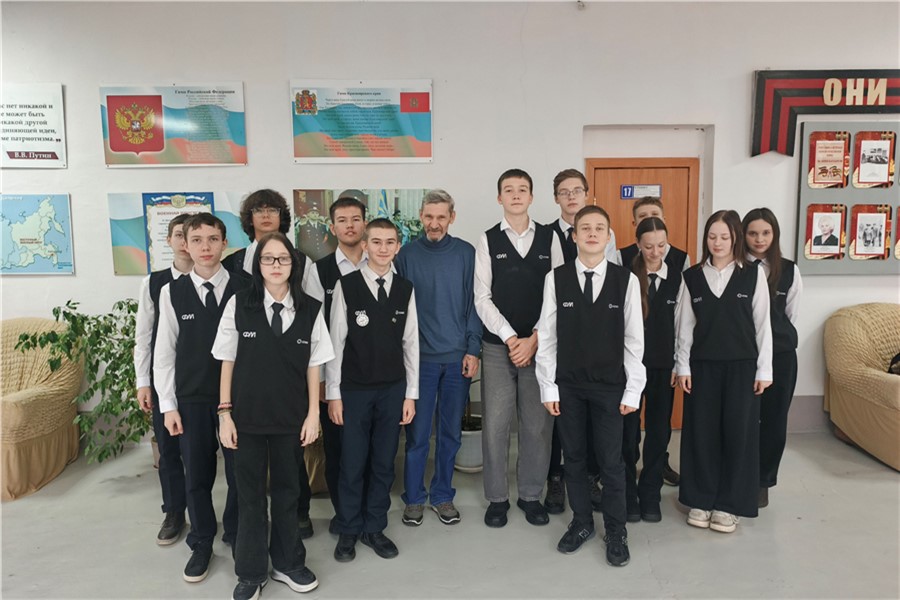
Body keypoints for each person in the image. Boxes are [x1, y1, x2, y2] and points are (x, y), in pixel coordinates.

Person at [214, 232, 334, 600]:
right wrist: (225, 414)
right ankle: (251, 572)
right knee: (249, 496)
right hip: (246, 419)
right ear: (258, 265)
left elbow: (315, 366)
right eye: (269, 259)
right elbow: (226, 360)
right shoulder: (239, 304)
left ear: (294, 265)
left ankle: (288, 563)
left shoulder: (310, 308)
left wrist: (313, 414)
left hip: (290, 419)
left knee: (287, 493)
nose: (276, 265)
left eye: (283, 258)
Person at [535, 205, 645, 566]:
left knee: (612, 462)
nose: (592, 233)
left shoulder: (625, 280)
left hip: (611, 387)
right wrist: (548, 387)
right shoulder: (556, 278)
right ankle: (581, 522)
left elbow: (634, 341)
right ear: (574, 235)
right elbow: (547, 337)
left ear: (609, 236)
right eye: (585, 228)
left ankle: (616, 530)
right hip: (568, 386)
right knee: (574, 459)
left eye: (600, 228)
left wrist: (633, 389)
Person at [222, 188, 323, 538]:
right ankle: (243, 533)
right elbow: (230, 339)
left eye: (273, 210)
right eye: (259, 210)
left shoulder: (303, 262)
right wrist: (224, 409)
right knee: (245, 476)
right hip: (247, 385)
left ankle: (297, 519)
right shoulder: (233, 263)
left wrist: (315, 402)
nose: (266, 216)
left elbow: (312, 320)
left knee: (289, 470)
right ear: (249, 219)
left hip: (289, 382)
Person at [154, 213, 247, 582]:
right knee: (197, 475)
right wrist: (168, 405)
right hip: (191, 399)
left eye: (212, 239)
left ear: (225, 243)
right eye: (197, 240)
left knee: (241, 473)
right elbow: (164, 352)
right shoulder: (171, 292)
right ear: (185, 244)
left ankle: (237, 533)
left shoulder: (245, 286)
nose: (205, 247)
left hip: (238, 400)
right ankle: (202, 541)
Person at [474, 168, 563, 528]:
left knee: (537, 426)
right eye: (508, 190)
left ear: (531, 196)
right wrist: (512, 339)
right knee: (495, 424)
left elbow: (559, 294)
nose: (515, 195)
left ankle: (530, 495)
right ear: (499, 197)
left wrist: (535, 339)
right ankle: (497, 498)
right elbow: (482, 297)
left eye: (522, 189)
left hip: (539, 347)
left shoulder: (550, 239)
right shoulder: (488, 240)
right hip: (499, 347)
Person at [326, 218, 418, 562]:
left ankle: (375, 527)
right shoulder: (347, 286)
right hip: (354, 391)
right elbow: (336, 342)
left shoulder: (405, 288)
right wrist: (333, 394)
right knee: (352, 462)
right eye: (376, 241)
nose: (383, 248)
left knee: (383, 462)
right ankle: (349, 527)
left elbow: (411, 344)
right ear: (364, 245)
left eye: (390, 242)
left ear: (398, 247)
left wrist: (411, 395)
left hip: (392, 390)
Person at [675, 210, 772, 534]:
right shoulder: (692, 277)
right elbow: (685, 328)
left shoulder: (752, 275)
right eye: (712, 236)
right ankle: (700, 500)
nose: (717, 243)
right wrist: (682, 365)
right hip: (702, 368)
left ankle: (730, 505)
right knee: (701, 434)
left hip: (743, 368)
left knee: (738, 435)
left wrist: (764, 370)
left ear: (735, 239)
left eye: (724, 237)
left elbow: (763, 326)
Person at [396, 189, 482, 527]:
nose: (434, 223)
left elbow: (474, 303)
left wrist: (473, 348)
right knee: (418, 435)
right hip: (420, 362)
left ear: (452, 218)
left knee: (450, 434)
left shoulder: (466, 254)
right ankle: (414, 498)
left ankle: (443, 495)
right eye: (429, 217)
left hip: (457, 359)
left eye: (441, 217)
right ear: (421, 216)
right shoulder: (406, 255)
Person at [545, 169, 613, 514]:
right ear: (556, 198)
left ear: (587, 194)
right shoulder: (545, 235)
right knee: (560, 424)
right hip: (562, 343)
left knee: (592, 427)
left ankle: (589, 480)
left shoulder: (602, 235)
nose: (571, 196)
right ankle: (555, 480)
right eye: (564, 191)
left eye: (577, 191)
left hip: (598, 352)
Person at [618, 197, 689, 495]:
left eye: (661, 246)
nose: (656, 252)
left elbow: (683, 322)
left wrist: (679, 362)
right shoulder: (624, 269)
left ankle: (651, 487)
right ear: (638, 243)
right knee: (628, 427)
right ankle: (626, 485)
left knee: (660, 427)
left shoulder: (678, 271)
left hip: (662, 363)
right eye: (649, 246)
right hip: (629, 364)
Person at [135, 213, 192, 546]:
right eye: (178, 235)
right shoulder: (154, 283)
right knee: (168, 450)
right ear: (169, 240)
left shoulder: (221, 279)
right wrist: (143, 381)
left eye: (190, 235)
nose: (185, 242)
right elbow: (144, 337)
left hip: (207, 381)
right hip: (164, 379)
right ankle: (173, 511)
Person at [314, 195, 368, 535]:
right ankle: (343, 513)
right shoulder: (318, 271)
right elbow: (312, 328)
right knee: (338, 449)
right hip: (335, 379)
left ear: (365, 223)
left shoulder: (382, 263)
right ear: (333, 228)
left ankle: (366, 512)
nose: (350, 226)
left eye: (355, 219)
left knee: (371, 449)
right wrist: (320, 379)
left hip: (375, 378)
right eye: (342, 220)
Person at [742, 208, 802, 508]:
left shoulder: (788, 270)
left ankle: (762, 481)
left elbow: (791, 314)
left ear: (774, 235)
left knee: (774, 420)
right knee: (743, 419)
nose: (759, 239)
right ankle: (738, 475)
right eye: (753, 233)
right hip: (743, 356)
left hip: (780, 357)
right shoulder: (736, 267)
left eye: (766, 233)